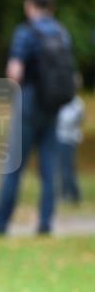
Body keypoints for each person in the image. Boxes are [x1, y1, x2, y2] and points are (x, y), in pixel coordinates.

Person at [0, 0, 75, 237]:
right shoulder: (62, 33)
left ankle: (0, 223)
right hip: (53, 105)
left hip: (29, 103)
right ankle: (45, 224)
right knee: (49, 165)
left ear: (29, 5)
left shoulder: (26, 32)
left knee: (13, 165)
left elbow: (15, 71)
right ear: (51, 5)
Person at [56, 74, 85, 203]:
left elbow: (72, 121)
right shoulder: (62, 100)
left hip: (69, 139)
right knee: (62, 168)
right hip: (60, 137)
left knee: (67, 168)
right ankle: (69, 192)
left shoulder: (77, 104)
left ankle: (71, 193)